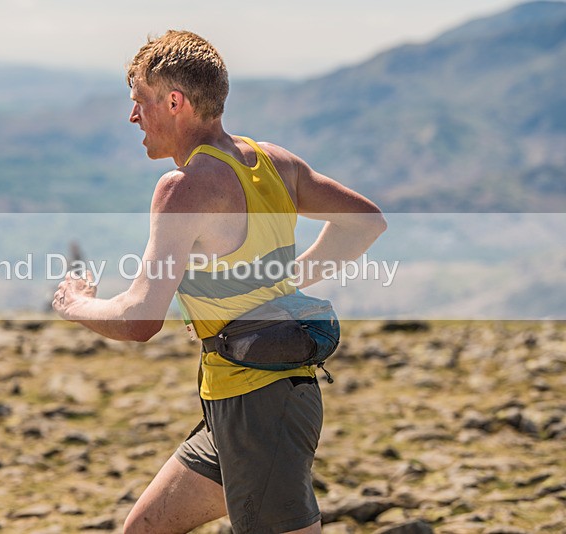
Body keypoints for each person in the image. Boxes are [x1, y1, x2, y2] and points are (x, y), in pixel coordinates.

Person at [53, 30, 386, 534]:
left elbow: (140, 319)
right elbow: (364, 222)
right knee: (143, 528)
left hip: (259, 407)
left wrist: (74, 304)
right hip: (243, 400)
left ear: (174, 101)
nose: (132, 116)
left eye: (139, 101)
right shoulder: (274, 162)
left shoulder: (183, 188)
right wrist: (275, 284)